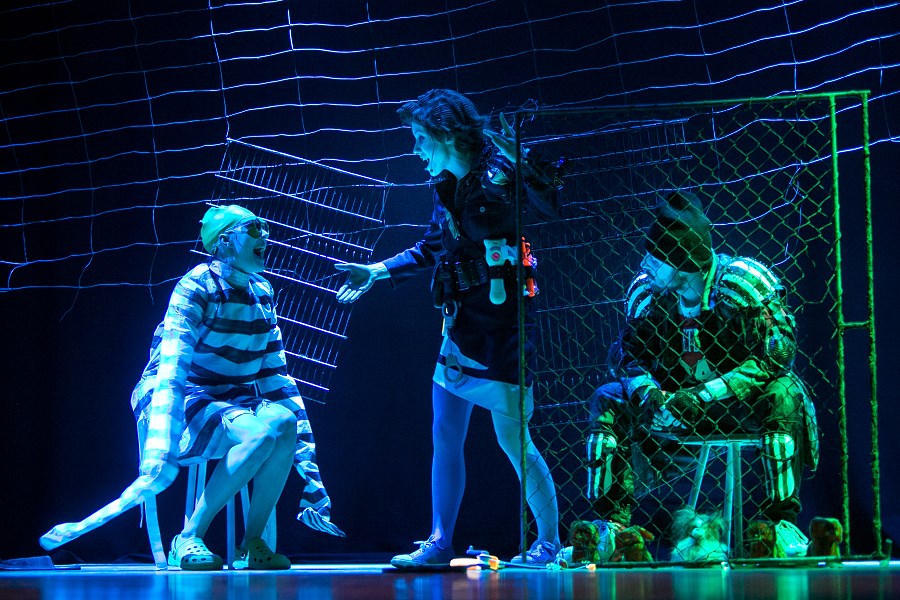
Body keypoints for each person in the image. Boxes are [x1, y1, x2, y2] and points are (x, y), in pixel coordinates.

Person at [40, 205, 344, 570]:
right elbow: (174, 366)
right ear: (225, 242)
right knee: (259, 435)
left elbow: (275, 373)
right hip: (184, 392)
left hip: (232, 395)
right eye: (253, 228)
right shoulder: (197, 286)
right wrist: (160, 449)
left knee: (283, 423)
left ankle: (251, 543)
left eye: (265, 227)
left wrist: (310, 468)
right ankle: (188, 536)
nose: (264, 235)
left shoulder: (262, 292)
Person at [334, 89, 564, 567]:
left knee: (513, 439)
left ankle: (548, 542)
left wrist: (525, 164)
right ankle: (440, 542)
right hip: (460, 326)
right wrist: (376, 271)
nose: (416, 149)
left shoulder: (500, 173)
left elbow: (548, 205)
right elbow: (430, 247)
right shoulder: (445, 188)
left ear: (444, 135)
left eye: (421, 138)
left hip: (504, 328)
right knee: (444, 432)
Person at [584, 190, 818, 559]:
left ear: (680, 260)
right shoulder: (648, 293)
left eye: (656, 257)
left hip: (737, 403)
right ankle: (612, 527)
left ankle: (781, 524)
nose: (646, 263)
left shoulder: (742, 286)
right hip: (674, 405)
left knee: (785, 391)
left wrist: (705, 394)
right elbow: (628, 354)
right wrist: (650, 392)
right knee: (608, 397)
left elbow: (777, 356)